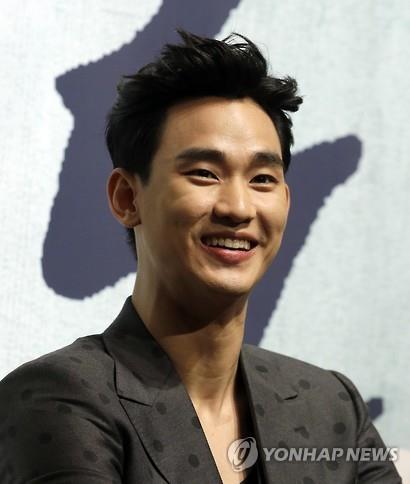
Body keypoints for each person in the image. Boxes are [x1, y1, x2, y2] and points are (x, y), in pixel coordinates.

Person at [0, 31, 401, 484]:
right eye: (205, 173)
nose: (239, 208)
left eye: (262, 179)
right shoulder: (61, 397)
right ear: (127, 197)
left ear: (286, 202)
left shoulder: (330, 406)